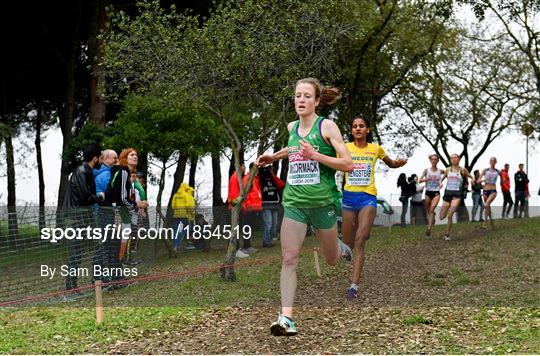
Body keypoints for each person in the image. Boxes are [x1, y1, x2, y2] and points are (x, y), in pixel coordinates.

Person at [256, 78, 353, 336]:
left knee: (331, 260)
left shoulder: (327, 127)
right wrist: (273, 157)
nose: (301, 100)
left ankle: (340, 246)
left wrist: (317, 156)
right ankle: (286, 318)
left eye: (307, 96)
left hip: (322, 204)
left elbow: (348, 164)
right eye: (298, 95)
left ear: (317, 101)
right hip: (295, 203)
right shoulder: (291, 126)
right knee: (289, 258)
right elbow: (293, 149)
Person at [340, 116, 406, 300]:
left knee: (361, 240)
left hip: (367, 197)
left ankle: (354, 285)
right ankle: (342, 246)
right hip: (348, 198)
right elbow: (331, 162)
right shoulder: (344, 147)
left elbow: (390, 162)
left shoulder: (375, 149)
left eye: (361, 126)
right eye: (354, 126)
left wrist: (397, 164)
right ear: (351, 130)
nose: (358, 129)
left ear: (368, 129)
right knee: (348, 244)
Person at [62, 143, 104, 295]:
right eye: (100, 158)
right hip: (76, 219)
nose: (102, 161)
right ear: (95, 158)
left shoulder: (87, 172)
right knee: (75, 253)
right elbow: (84, 197)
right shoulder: (81, 172)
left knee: (79, 253)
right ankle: (70, 287)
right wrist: (99, 197)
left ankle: (72, 286)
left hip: (82, 218)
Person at [106, 148, 148, 274]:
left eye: (136, 155)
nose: (135, 156)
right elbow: (121, 199)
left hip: (123, 215)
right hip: (116, 214)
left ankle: (117, 276)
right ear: (125, 158)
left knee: (122, 245)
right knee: (118, 246)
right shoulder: (123, 172)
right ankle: (113, 277)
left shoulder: (127, 175)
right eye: (132, 155)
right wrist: (138, 204)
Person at [439, 154, 473, 240]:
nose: (454, 159)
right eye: (452, 158)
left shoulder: (462, 170)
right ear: (450, 160)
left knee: (450, 215)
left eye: (455, 157)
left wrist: (474, 181)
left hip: (457, 195)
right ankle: (448, 210)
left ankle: (447, 234)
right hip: (447, 194)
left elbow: (471, 176)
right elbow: (441, 179)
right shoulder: (447, 169)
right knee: (442, 217)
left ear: (459, 159)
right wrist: (439, 184)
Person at [227, 162, 249, 258]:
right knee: (235, 229)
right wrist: (236, 206)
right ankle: (235, 250)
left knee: (237, 229)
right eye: (244, 166)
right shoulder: (235, 178)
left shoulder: (237, 177)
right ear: (239, 166)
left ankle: (236, 249)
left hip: (236, 206)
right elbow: (233, 195)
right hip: (235, 207)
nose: (245, 168)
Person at [419, 154, 445, 236]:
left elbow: (448, 172)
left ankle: (429, 229)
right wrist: (427, 179)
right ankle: (432, 218)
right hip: (428, 193)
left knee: (431, 210)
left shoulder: (440, 171)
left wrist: (441, 183)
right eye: (432, 159)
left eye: (435, 159)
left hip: (436, 193)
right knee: (429, 211)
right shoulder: (426, 170)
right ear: (430, 161)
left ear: (438, 161)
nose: (434, 161)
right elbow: (420, 180)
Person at [259, 165, 285, 247]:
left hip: (275, 204)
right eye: (270, 169)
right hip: (265, 204)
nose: (271, 170)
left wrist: (272, 174)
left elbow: (281, 185)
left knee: (274, 225)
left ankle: (269, 241)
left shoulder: (274, 179)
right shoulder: (261, 179)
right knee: (268, 224)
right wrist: (262, 169)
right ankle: (266, 242)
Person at [241, 163, 262, 254]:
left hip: (255, 208)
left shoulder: (255, 179)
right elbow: (245, 194)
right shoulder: (247, 179)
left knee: (250, 227)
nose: (257, 170)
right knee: (247, 227)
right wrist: (248, 206)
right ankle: (246, 246)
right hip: (250, 208)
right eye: (256, 168)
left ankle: (248, 245)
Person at [171, 183, 196, 251]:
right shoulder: (186, 195)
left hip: (176, 215)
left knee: (175, 230)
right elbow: (189, 206)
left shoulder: (175, 195)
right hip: (184, 215)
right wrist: (191, 213)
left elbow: (173, 206)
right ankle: (181, 235)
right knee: (188, 227)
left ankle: (175, 246)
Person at [478, 157, 500, 229]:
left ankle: (485, 222)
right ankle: (491, 222)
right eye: (491, 161)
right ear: (489, 162)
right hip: (485, 191)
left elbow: (503, 180)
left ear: (496, 162)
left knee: (487, 204)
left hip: (493, 190)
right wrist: (484, 180)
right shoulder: (485, 170)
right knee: (488, 207)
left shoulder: (498, 171)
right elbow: (478, 181)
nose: (492, 162)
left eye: (493, 161)